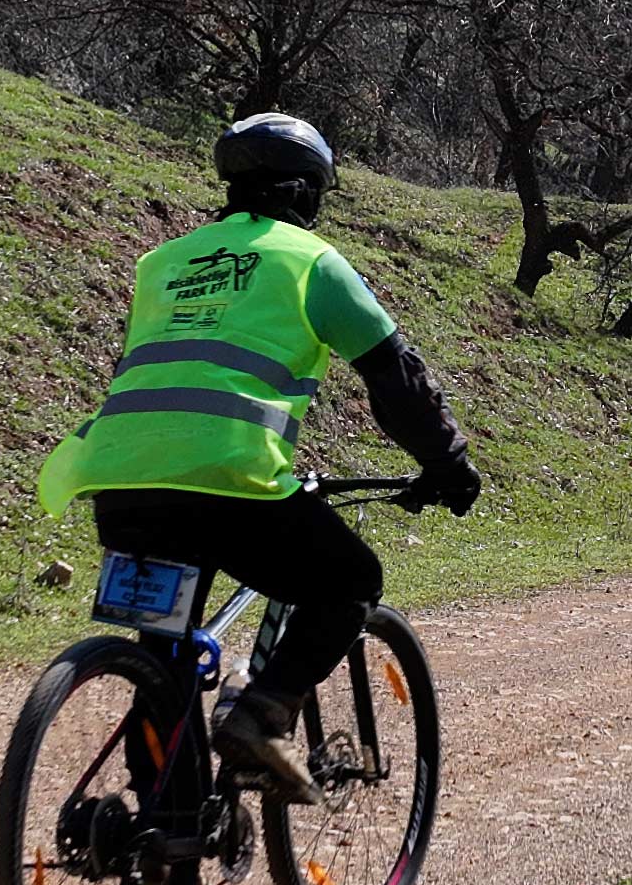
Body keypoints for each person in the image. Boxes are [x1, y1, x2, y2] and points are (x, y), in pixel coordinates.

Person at [44, 115, 483, 795]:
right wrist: (446, 461)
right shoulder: (309, 261)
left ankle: (167, 845)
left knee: (164, 658)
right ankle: (263, 710)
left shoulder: (162, 263)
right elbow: (395, 376)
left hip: (120, 480)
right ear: (305, 194)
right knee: (350, 581)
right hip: (231, 482)